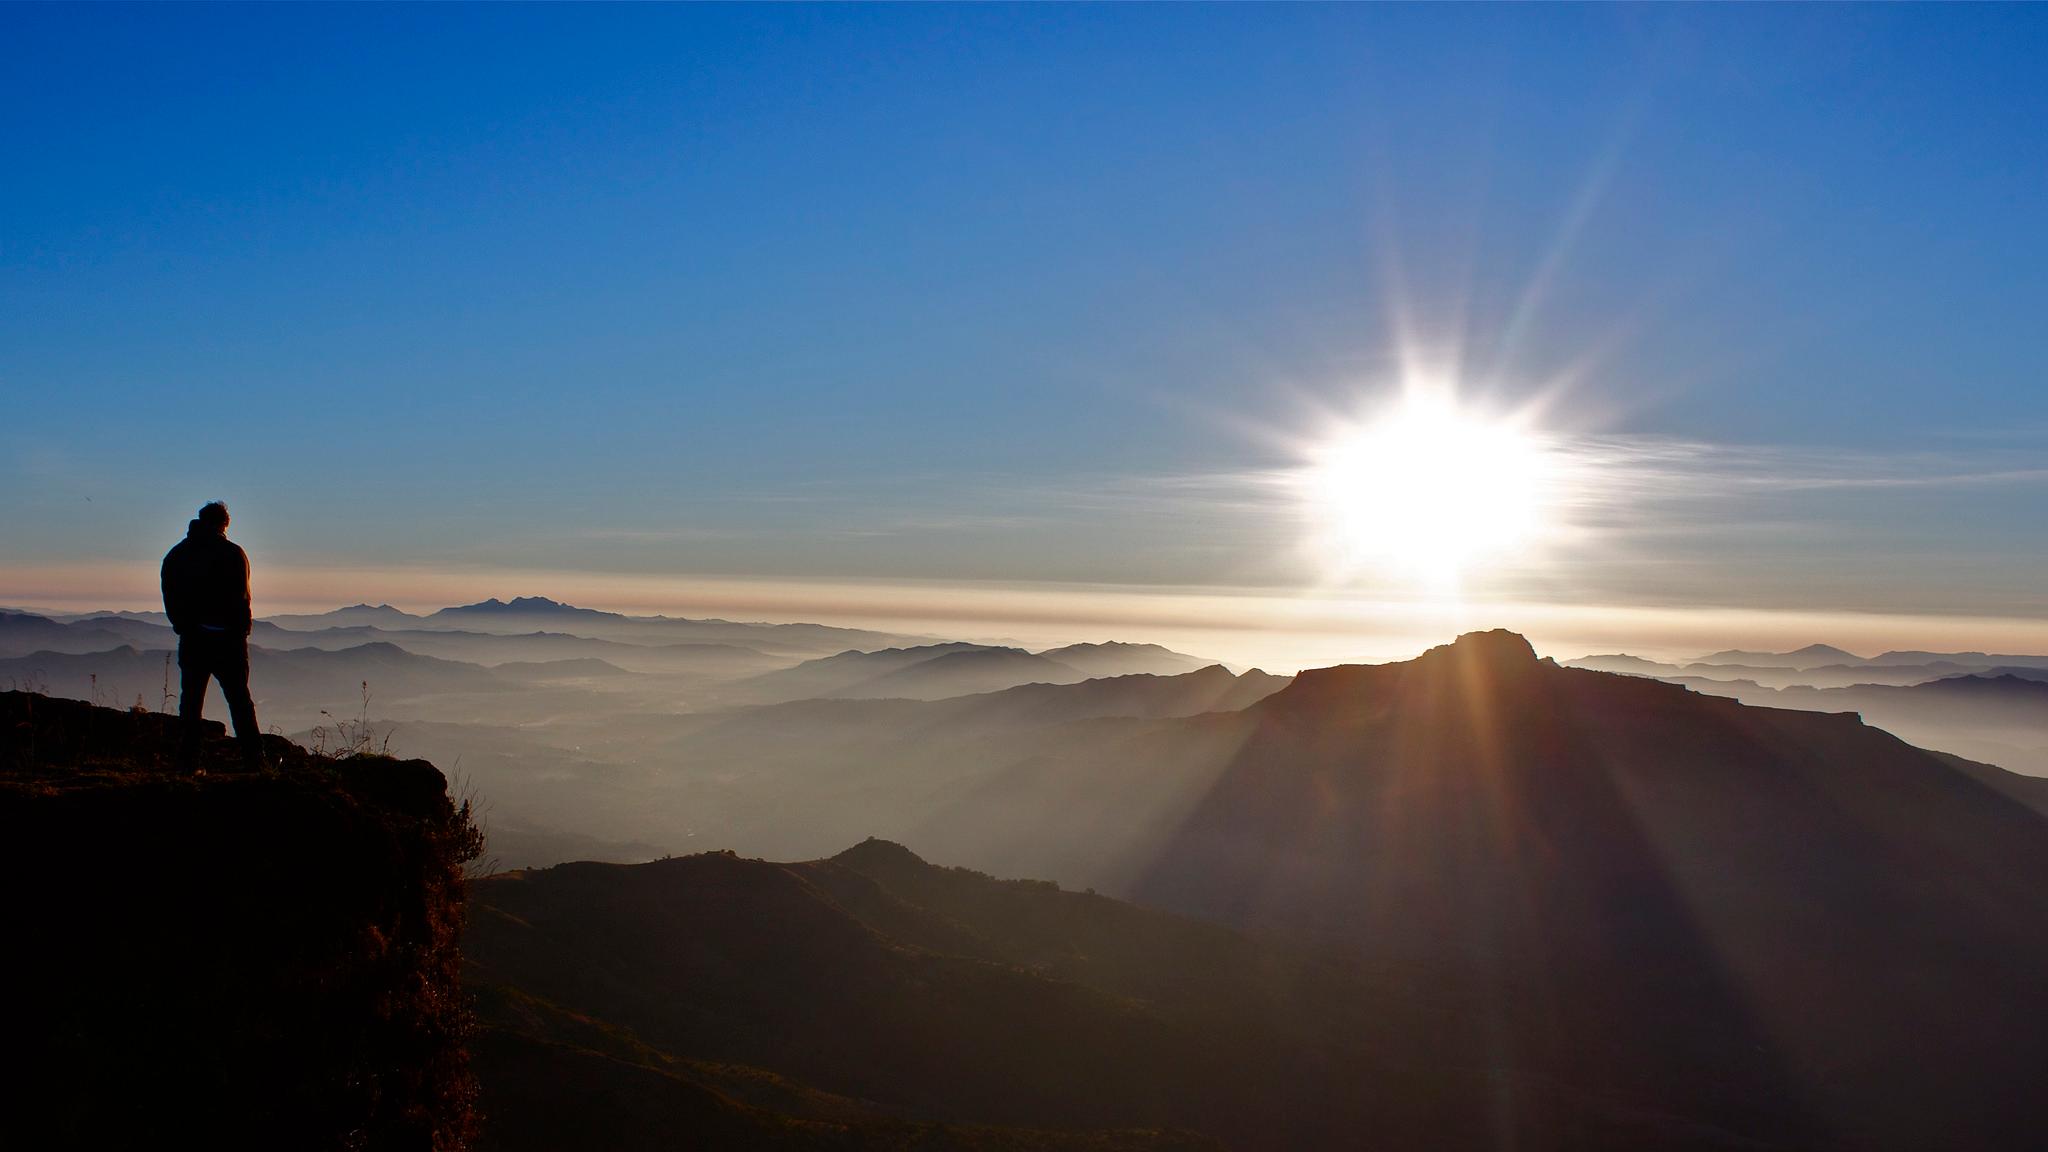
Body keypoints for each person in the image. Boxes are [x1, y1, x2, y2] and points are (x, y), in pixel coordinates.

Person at [161, 501, 266, 772]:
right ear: (224, 524)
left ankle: (187, 763)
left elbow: (170, 595)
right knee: (240, 701)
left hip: (193, 640)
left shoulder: (177, 555)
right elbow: (243, 597)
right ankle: (255, 762)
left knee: (191, 702)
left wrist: (183, 626)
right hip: (228, 641)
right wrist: (241, 630)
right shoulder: (233, 553)